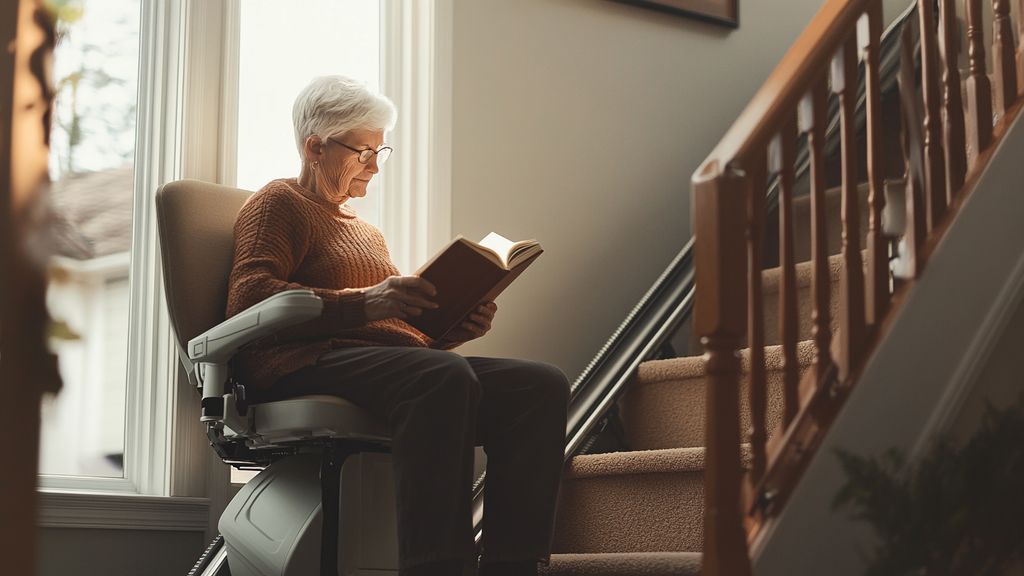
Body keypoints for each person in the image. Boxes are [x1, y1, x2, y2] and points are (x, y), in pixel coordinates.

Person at [225, 75, 569, 576]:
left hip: (378, 363)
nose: (373, 166)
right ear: (314, 147)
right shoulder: (279, 203)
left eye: (380, 152)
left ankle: (512, 566)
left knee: (537, 385)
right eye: (363, 151)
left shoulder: (366, 231)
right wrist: (364, 303)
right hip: (301, 359)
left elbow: (396, 330)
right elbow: (250, 296)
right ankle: (439, 566)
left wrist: (455, 328)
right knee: (440, 377)